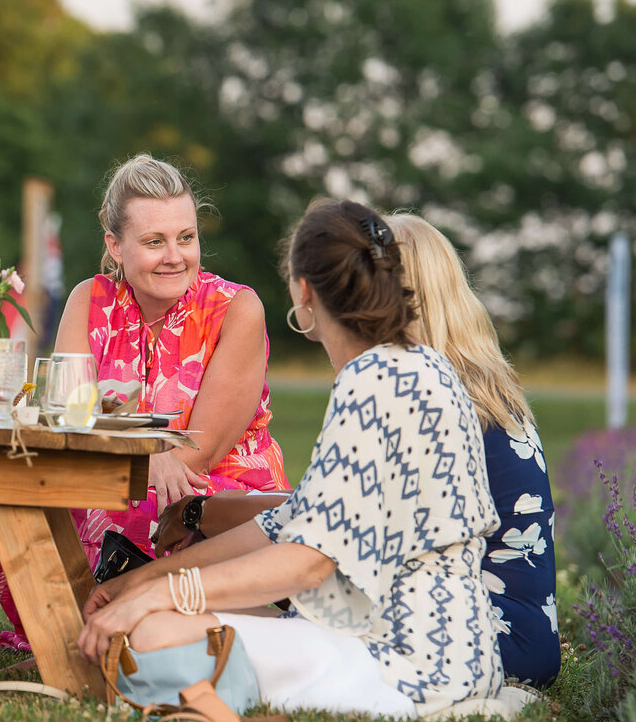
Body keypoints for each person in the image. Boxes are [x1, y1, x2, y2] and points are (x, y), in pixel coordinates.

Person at [77, 199, 502, 718]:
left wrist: (159, 598)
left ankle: (211, 705)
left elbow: (307, 561)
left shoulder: (373, 382)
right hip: (459, 651)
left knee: (152, 631)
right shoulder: (420, 366)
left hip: (404, 665)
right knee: (165, 618)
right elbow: (285, 526)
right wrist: (141, 580)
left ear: (304, 293)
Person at [154, 212, 561, 688]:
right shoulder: (470, 386)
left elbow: (309, 540)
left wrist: (175, 560)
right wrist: (195, 529)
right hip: (499, 634)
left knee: (173, 631)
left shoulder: (402, 390)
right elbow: (317, 513)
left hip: (477, 639)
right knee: (204, 613)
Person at [0, 154, 290, 651]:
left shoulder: (235, 309)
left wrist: (155, 457)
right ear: (114, 245)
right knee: (38, 497)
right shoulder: (89, 300)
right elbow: (69, 419)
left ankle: (116, 635)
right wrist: (145, 456)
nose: (175, 256)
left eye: (186, 237)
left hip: (215, 486)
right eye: (154, 241)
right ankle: (75, 638)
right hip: (115, 476)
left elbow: (197, 451)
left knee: (146, 509)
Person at [387, 213, 558, 687]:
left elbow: (341, 534)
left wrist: (206, 521)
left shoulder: (427, 396)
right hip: (525, 634)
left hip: (481, 634)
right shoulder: (482, 386)